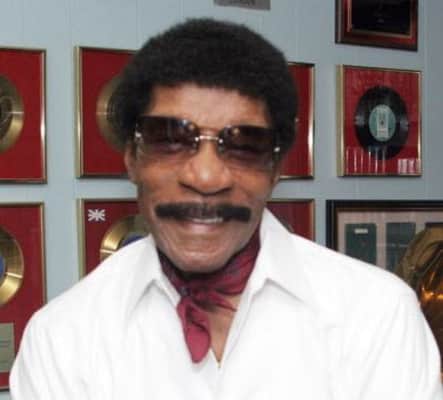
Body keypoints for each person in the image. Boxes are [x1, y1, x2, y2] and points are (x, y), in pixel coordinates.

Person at [10, 18, 442, 399]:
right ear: (131, 159)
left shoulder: (375, 317)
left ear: (276, 169)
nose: (205, 176)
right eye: (170, 139)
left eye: (244, 145)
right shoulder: (63, 339)